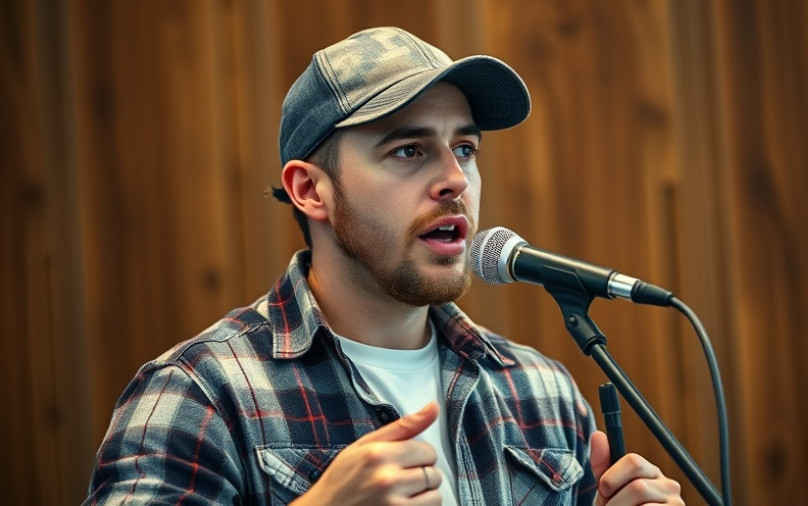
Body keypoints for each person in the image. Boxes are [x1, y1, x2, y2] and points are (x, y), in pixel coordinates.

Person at [84, 26, 683, 505]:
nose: (455, 179)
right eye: (409, 150)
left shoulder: (541, 392)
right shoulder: (200, 394)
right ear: (311, 191)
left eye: (466, 149)